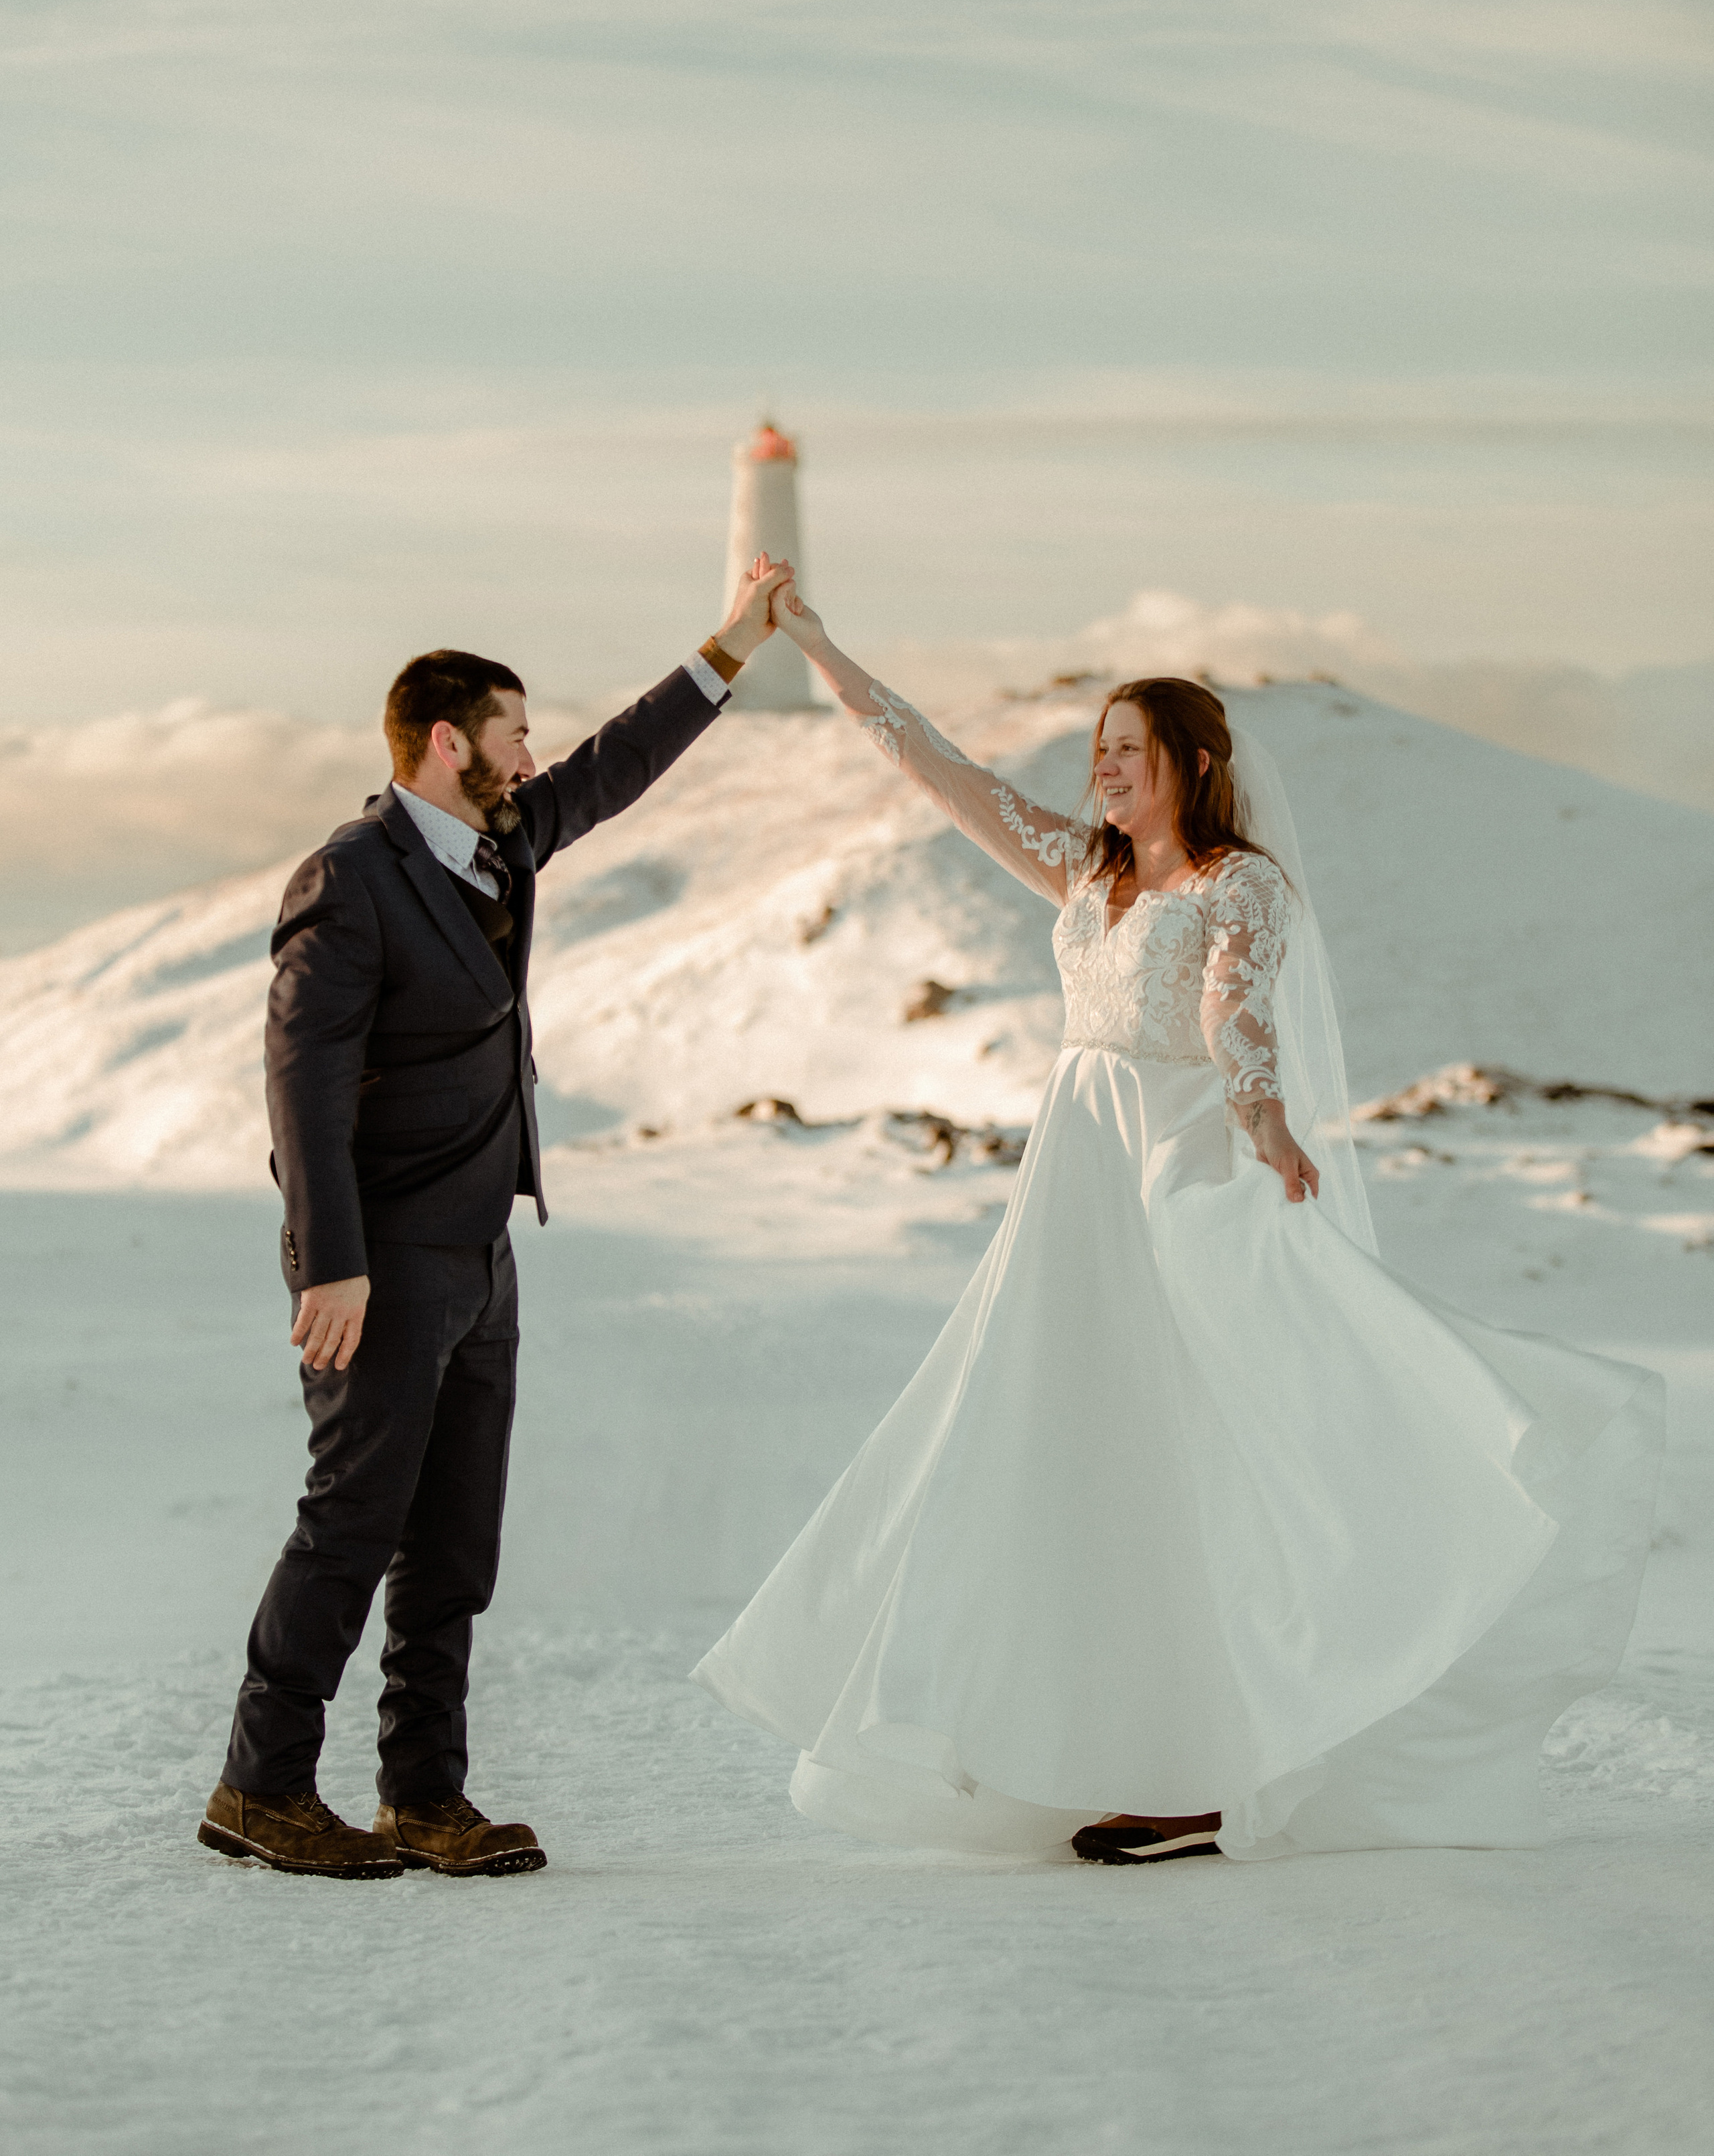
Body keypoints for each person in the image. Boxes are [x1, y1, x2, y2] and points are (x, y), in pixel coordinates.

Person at [694, 591, 1664, 1864]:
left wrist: (1263, 1117)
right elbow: (935, 765)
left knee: (1186, 1450)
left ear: (1193, 768)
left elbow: (1232, 1016)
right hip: (1072, 1177)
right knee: (1058, 1445)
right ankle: (1070, 1743)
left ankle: (1206, 1767)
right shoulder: (1083, 868)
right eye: (1096, 748)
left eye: (1126, 752)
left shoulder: (1238, 886)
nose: (1101, 769)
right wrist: (816, 647)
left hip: (1168, 1174)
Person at [200, 556, 794, 1879]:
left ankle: (424, 1794)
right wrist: (330, 1265)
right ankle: (262, 1786)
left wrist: (732, 646)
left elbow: (610, 766)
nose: (535, 752)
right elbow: (298, 1084)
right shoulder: (350, 877)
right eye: (514, 730)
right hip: (384, 1260)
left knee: (452, 1548)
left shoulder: (502, 840)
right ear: (444, 740)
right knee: (351, 1526)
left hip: (480, 1251)